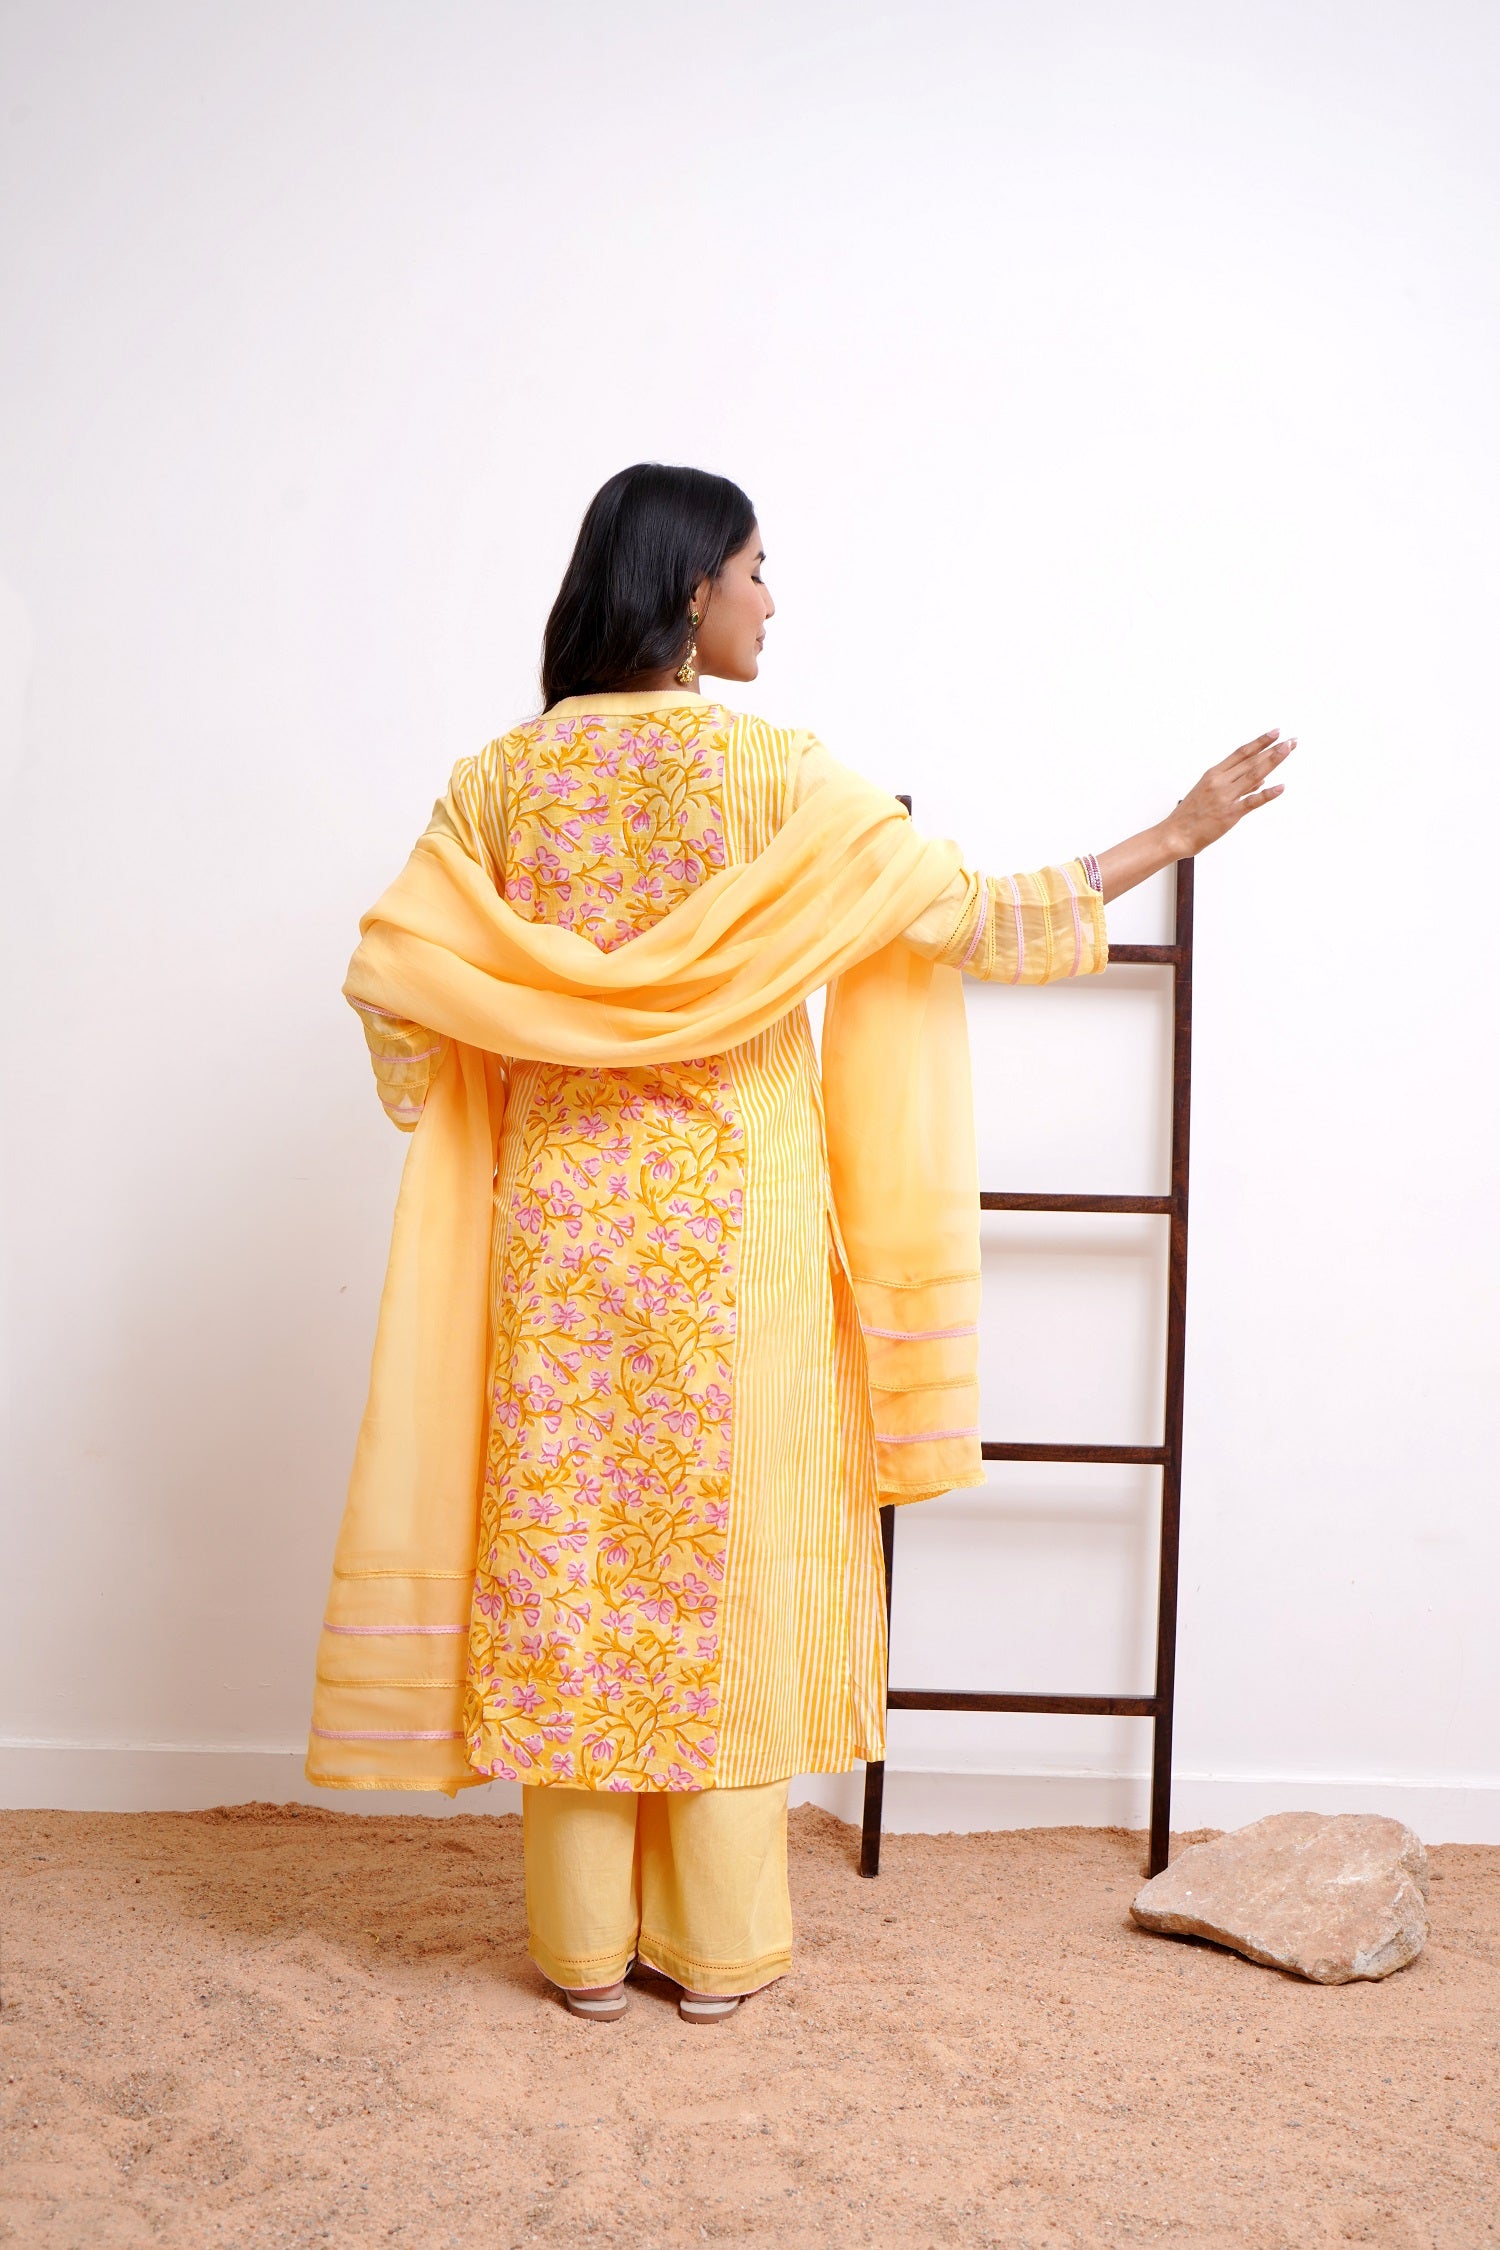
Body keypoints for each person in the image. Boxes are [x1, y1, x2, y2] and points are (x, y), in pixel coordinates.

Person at [307, 463, 1292, 2024]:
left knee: (571, 1566)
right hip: (735, 1244)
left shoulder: (498, 783)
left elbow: (397, 982)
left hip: (559, 1235)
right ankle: (716, 1948)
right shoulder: (780, 778)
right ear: (693, 586)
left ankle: (582, 1950)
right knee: (732, 1572)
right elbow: (970, 915)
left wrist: (518, 1057)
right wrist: (1174, 831)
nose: (773, 601)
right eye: (759, 569)